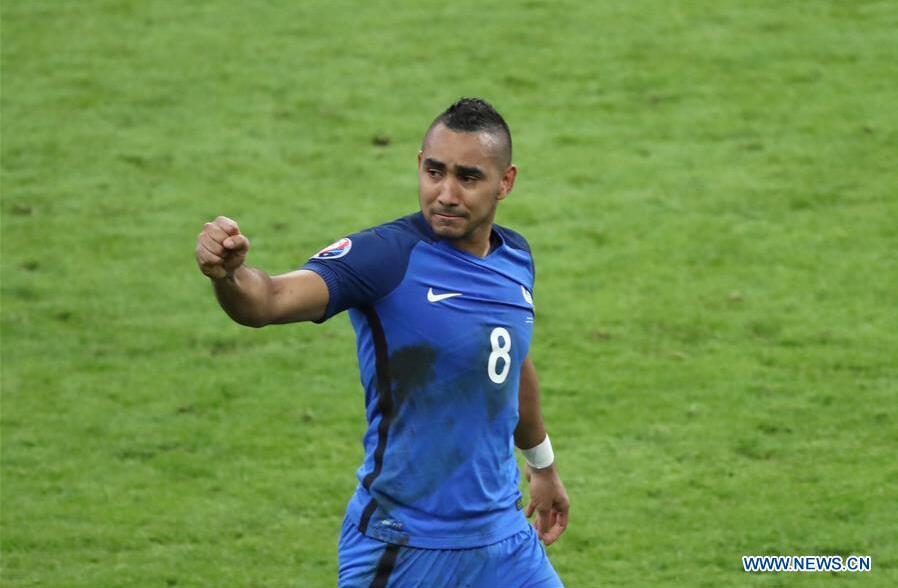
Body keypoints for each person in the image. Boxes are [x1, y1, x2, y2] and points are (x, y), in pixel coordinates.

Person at [195, 98, 570, 587]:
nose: (446, 193)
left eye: (468, 177)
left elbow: (509, 359)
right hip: (403, 549)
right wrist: (230, 274)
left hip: (504, 543)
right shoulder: (385, 258)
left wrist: (541, 465)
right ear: (419, 165)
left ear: (506, 182)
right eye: (435, 172)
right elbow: (268, 300)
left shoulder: (515, 257)